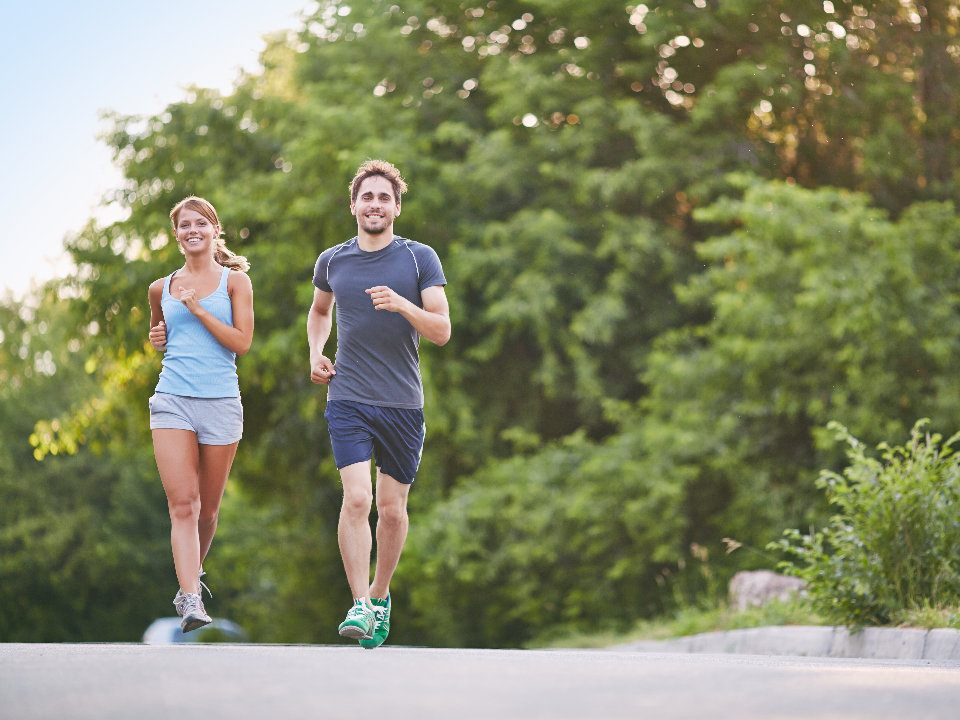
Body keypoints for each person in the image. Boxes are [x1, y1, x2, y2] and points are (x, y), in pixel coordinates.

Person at [308, 160, 450, 648]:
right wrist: (315, 352)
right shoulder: (333, 261)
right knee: (357, 499)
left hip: (403, 404)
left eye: (383, 197)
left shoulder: (418, 259)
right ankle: (360, 605)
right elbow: (320, 311)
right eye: (366, 197)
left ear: (396, 206)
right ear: (354, 206)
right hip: (348, 396)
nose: (374, 204)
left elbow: (442, 330)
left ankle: (381, 593)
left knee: (391, 511)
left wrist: (403, 305)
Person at [147, 196, 254, 633]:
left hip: (221, 403)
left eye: (200, 223)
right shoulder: (161, 287)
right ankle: (190, 597)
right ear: (177, 235)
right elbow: (158, 334)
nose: (193, 230)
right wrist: (157, 337)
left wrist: (197, 310)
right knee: (183, 506)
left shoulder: (236, 283)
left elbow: (241, 342)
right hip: (172, 398)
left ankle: (193, 576)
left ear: (215, 229)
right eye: (184, 225)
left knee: (208, 512)